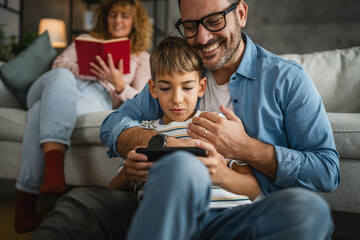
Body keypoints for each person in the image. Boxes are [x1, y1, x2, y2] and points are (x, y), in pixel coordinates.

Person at [32, 0, 340, 239]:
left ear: (241, 13)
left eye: (214, 20)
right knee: (79, 204)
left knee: (308, 211)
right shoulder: (182, 71)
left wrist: (246, 148)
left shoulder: (287, 80)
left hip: (240, 215)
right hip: (164, 206)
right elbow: (113, 125)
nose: (202, 37)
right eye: (190, 26)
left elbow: (326, 171)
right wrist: (157, 143)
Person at [14, 0, 153, 233]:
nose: (118, 20)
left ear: (135, 22)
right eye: (113, 15)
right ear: (105, 18)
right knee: (61, 76)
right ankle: (53, 166)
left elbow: (142, 101)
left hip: (91, 101)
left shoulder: (141, 56)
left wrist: (117, 83)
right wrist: (92, 68)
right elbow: (59, 65)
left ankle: (26, 198)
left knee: (40, 112)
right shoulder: (86, 41)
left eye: (124, 16)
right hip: (55, 87)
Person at [108, 36, 262, 212]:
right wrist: (127, 174)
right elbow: (113, 190)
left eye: (187, 87)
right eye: (166, 88)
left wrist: (221, 173)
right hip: (173, 216)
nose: (177, 99)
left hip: (228, 215)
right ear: (153, 89)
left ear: (201, 88)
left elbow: (253, 189)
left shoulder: (215, 123)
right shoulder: (144, 131)